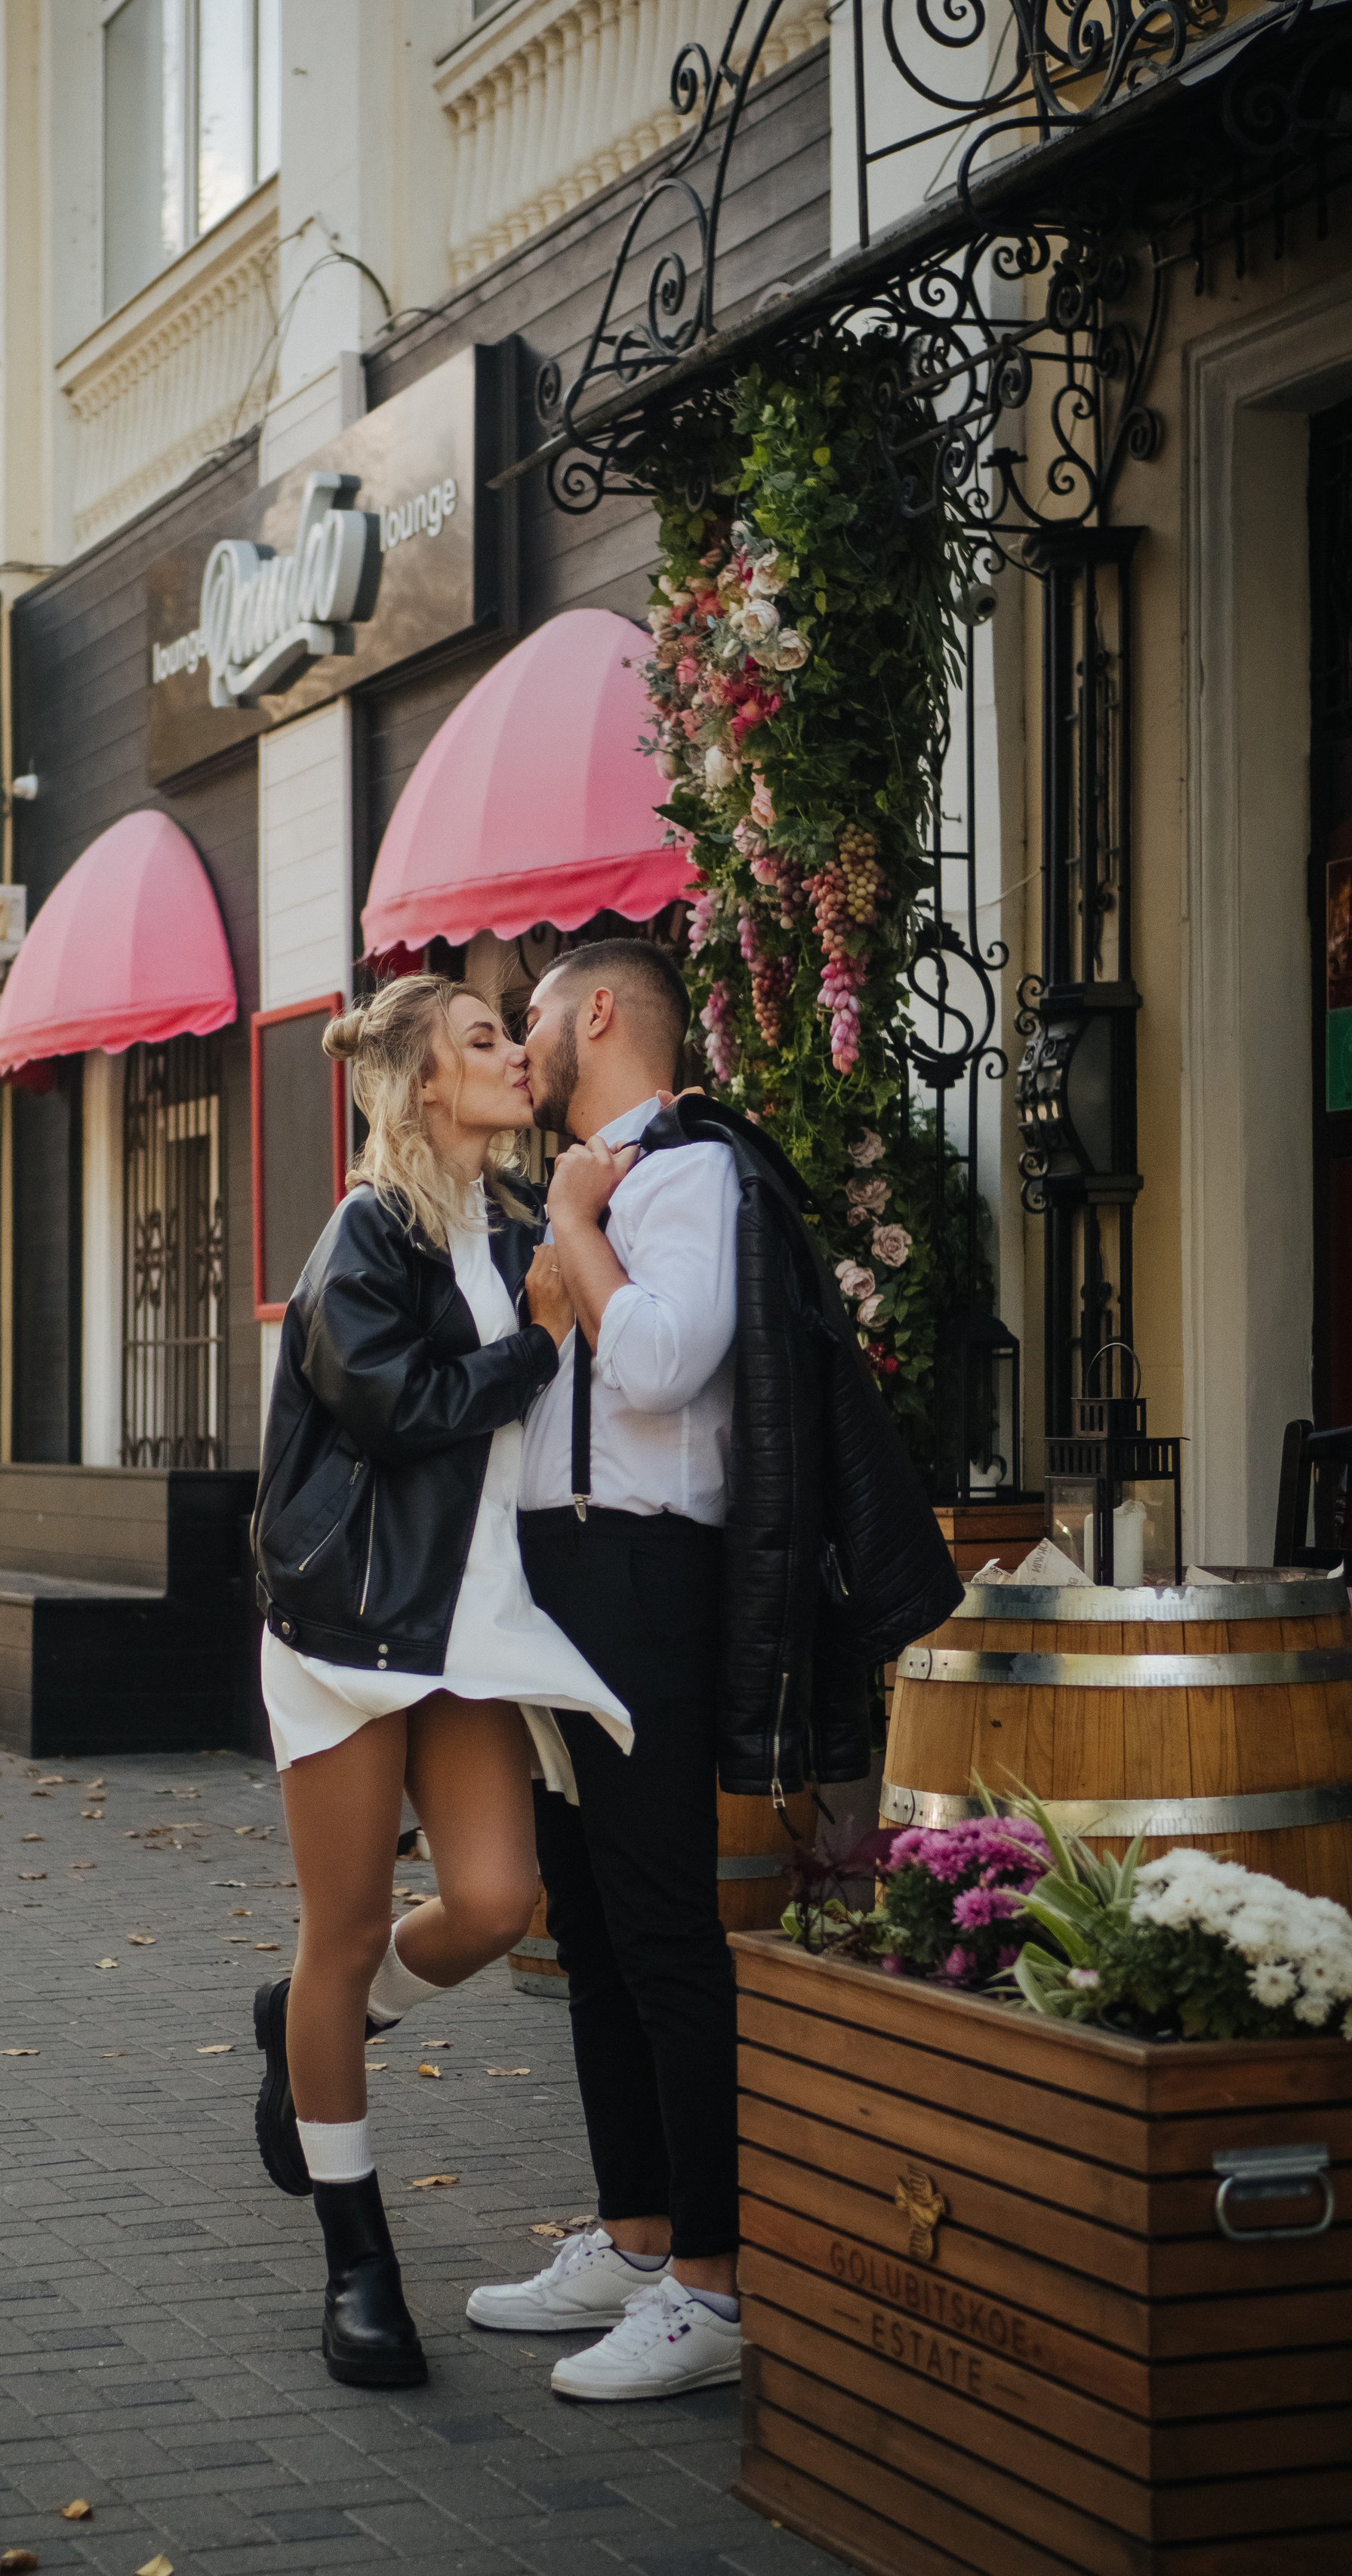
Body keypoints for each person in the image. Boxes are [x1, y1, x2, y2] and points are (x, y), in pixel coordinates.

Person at [467, 936, 955, 2401]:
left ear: (599, 1016)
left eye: (534, 1017)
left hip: (643, 1579)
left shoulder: (686, 1175)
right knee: (594, 1931)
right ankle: (631, 2238)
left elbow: (665, 1362)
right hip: (560, 1583)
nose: (522, 1041)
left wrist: (573, 1224)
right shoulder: (593, 1189)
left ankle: (712, 2288)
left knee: (666, 1927)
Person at [249, 973, 630, 2391]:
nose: (511, 1054)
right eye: (482, 1038)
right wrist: (533, 1341)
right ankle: (358, 2267)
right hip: (352, 1632)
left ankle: (313, 2034)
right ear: (423, 1085)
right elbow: (401, 1408)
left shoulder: (522, 1221)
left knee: (491, 1904)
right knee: (338, 1929)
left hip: (471, 1625)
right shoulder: (368, 1231)